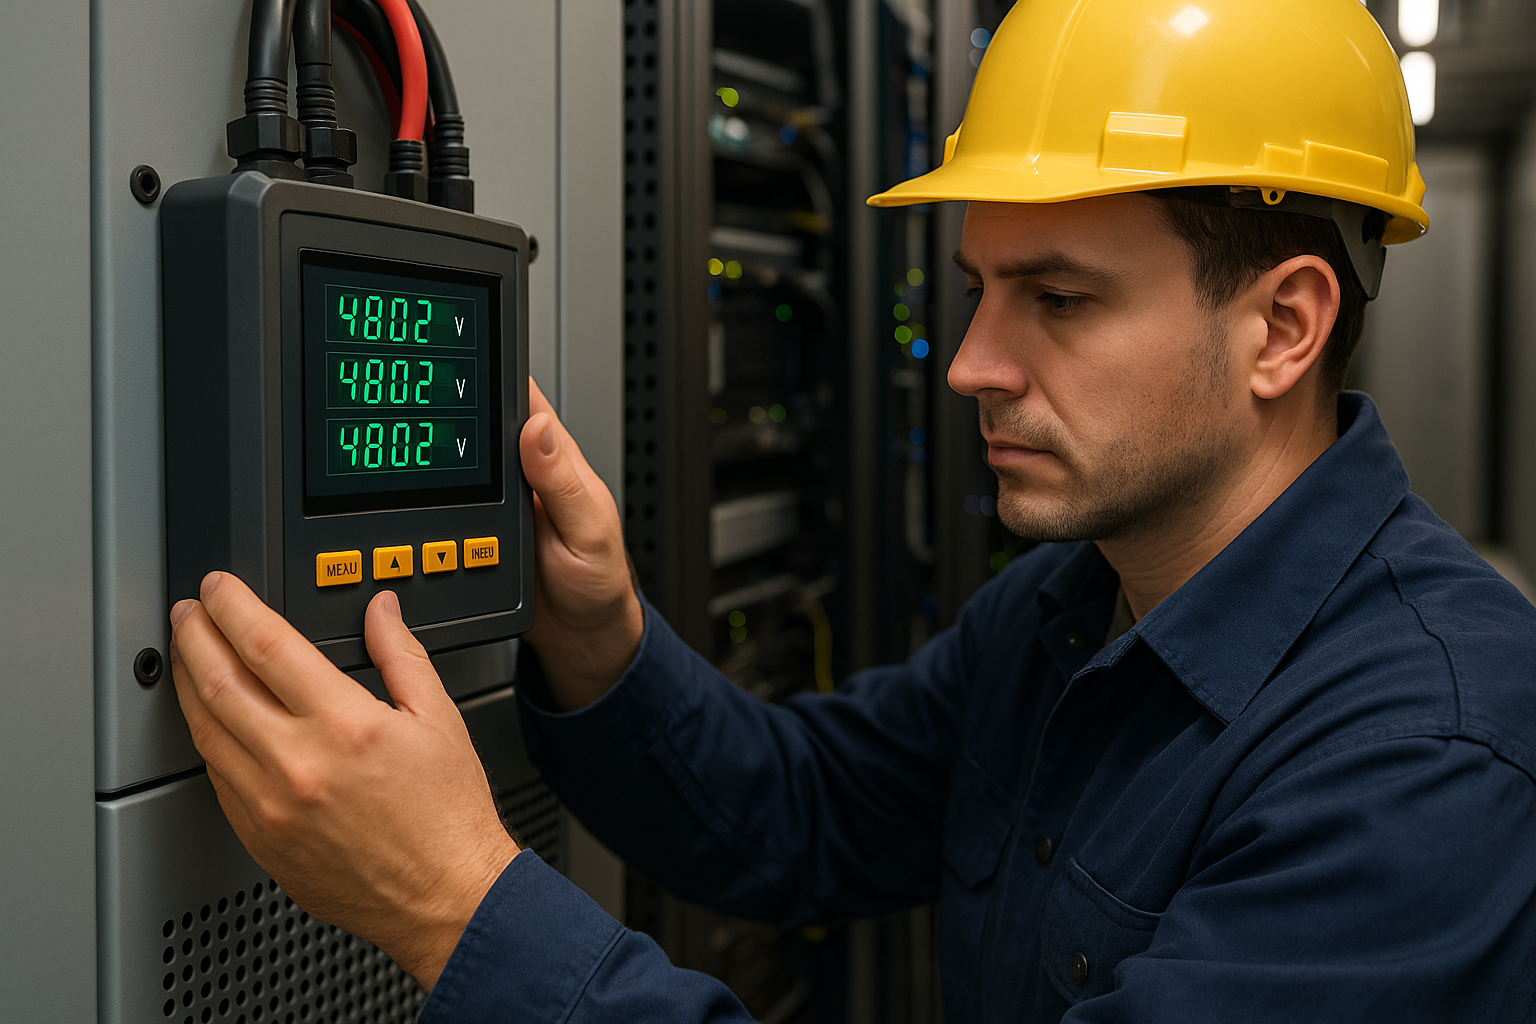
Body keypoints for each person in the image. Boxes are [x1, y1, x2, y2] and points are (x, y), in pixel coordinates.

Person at [167, 0, 1536, 1020]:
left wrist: (458, 907)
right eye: (978, 290)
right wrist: (598, 635)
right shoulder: (1072, 605)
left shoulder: (1427, 760)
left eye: (1057, 299)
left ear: (1283, 326)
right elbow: (801, 807)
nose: (971, 366)